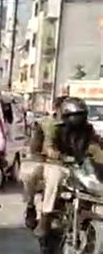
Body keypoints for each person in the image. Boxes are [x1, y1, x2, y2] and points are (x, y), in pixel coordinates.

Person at [32, 97, 103, 237]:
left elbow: (95, 145)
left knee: (97, 180)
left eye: (80, 114)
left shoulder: (88, 129)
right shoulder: (56, 127)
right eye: (73, 115)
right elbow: (49, 146)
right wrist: (58, 155)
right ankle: (45, 219)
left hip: (80, 166)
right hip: (57, 164)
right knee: (55, 178)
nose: (77, 118)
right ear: (65, 115)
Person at [22, 96, 67, 230]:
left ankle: (46, 215)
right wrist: (46, 154)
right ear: (56, 108)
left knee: (55, 178)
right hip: (45, 161)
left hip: (67, 165)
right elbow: (37, 147)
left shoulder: (81, 126)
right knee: (29, 174)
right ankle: (31, 206)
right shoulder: (44, 123)